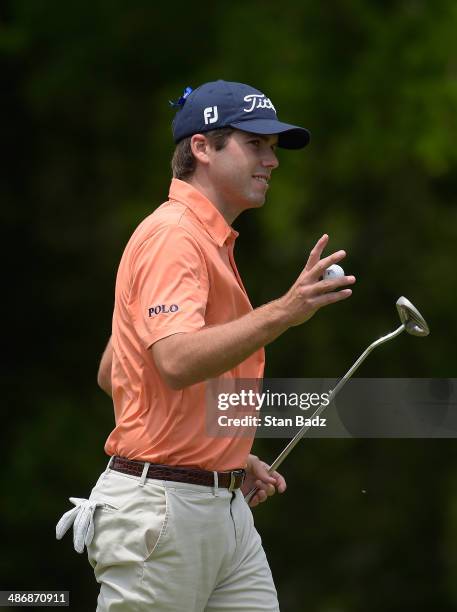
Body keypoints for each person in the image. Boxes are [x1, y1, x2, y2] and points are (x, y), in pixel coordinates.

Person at [56, 79, 355, 611]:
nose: (272, 161)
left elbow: (115, 372)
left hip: (216, 508)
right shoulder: (175, 236)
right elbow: (173, 361)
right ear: (202, 148)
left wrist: (223, 456)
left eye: (273, 147)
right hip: (164, 512)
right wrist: (286, 311)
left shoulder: (204, 238)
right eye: (255, 144)